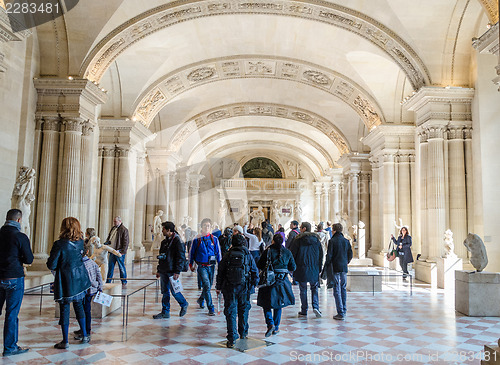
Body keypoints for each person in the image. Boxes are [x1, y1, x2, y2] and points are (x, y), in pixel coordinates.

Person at [47, 217, 91, 348]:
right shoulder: (81, 242)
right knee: (79, 306)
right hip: (79, 279)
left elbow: (52, 264)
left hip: (65, 280)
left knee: (64, 309)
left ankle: (65, 341)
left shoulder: (59, 244)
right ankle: (84, 335)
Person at [0, 209, 33, 356]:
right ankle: (9, 347)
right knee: (12, 314)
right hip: (13, 277)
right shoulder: (20, 236)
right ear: (19, 220)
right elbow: (29, 259)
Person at [216, 234, 258, 348]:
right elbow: (255, 271)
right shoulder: (247, 255)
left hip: (229, 287)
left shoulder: (227, 255)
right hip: (244, 287)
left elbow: (220, 272)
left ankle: (232, 338)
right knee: (243, 309)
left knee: (230, 311)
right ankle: (243, 332)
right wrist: (254, 284)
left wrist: (218, 287)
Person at [257, 234, 296, 337]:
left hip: (269, 280)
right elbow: (293, 266)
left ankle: (270, 323)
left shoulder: (268, 251)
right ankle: (276, 327)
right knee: (279, 304)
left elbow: (259, 264)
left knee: (266, 303)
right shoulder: (287, 252)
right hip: (282, 281)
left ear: (273, 241)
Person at [154, 221, 189, 319]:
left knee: (174, 291)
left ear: (169, 230)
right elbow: (161, 257)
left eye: (163, 229)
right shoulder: (164, 242)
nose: (162, 231)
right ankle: (165, 312)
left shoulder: (178, 241)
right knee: (165, 292)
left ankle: (184, 304)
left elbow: (181, 257)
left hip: (172, 270)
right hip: (164, 270)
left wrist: (177, 271)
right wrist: (158, 269)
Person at [289, 222, 323, 318]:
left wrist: (292, 268)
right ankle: (316, 307)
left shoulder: (298, 240)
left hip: (301, 267)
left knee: (303, 289)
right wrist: (319, 267)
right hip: (314, 268)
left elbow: (293, 255)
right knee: (314, 288)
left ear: (304, 229)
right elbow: (320, 255)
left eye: (300, 227)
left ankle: (304, 310)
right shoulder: (316, 240)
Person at [189, 218, 222, 316]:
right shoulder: (197, 239)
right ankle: (211, 308)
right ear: (201, 227)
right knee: (207, 285)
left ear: (211, 227)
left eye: (208, 226)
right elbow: (192, 252)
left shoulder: (214, 239)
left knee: (208, 286)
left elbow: (218, 253)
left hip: (211, 266)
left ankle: (201, 299)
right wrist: (191, 264)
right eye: (205, 225)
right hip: (202, 266)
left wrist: (220, 266)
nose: (206, 227)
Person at [323, 223, 353, 320]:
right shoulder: (346, 241)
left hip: (335, 267)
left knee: (336, 289)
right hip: (343, 267)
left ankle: (340, 312)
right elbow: (350, 254)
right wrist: (346, 261)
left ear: (334, 230)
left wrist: (327, 265)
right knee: (343, 288)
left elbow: (329, 255)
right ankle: (343, 309)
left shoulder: (332, 241)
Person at [75, 240, 103, 341]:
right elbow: (99, 276)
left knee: (83, 310)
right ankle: (85, 328)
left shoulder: (80, 264)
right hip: (92, 290)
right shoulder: (92, 263)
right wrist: (100, 288)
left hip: (84, 290)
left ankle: (85, 330)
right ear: (87, 252)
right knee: (86, 310)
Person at [105, 216, 129, 287]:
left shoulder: (124, 230)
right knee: (110, 266)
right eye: (114, 221)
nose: (114, 223)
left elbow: (126, 242)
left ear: (120, 221)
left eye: (115, 221)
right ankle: (108, 280)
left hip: (119, 251)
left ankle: (124, 281)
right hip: (112, 250)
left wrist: (122, 251)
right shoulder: (113, 228)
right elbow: (110, 237)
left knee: (121, 267)